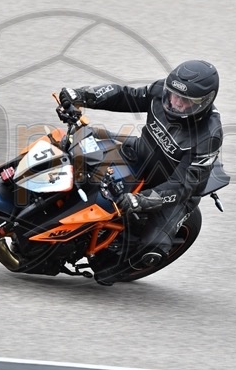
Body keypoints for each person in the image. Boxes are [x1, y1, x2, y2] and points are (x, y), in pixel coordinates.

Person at [59, 59, 223, 284]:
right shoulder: (162, 91)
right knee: (81, 140)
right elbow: (125, 95)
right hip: (140, 153)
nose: (176, 103)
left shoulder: (209, 135)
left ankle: (118, 266)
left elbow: (185, 186)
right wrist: (82, 96)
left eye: (185, 101)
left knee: (150, 249)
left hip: (170, 189)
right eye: (174, 95)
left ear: (204, 102)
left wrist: (143, 200)